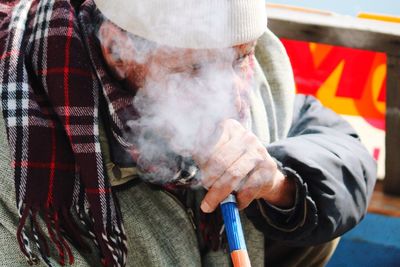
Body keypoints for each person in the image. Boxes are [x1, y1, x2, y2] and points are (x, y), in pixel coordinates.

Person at [0, 0, 376, 266]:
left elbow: (343, 150)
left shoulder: (255, 68)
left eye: (240, 56)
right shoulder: (21, 127)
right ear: (117, 47)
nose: (229, 94)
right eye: (197, 68)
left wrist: (279, 183)